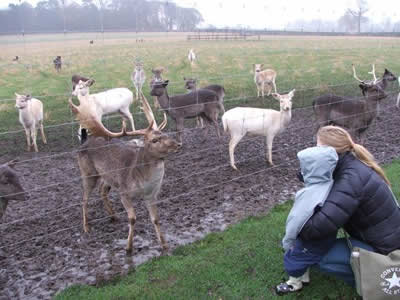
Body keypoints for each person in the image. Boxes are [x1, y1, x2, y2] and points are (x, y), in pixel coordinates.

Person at [276, 125, 400, 295]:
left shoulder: (351, 179)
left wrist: (295, 231)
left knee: (316, 254)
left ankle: (367, 279)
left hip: (385, 250)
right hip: (385, 238)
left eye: (318, 147)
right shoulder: (350, 164)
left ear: (329, 151)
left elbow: (317, 227)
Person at [277, 145, 339, 295]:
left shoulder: (310, 195)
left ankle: (295, 283)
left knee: (294, 257)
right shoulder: (332, 183)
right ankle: (304, 276)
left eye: (304, 167)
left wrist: (288, 242)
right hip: (327, 234)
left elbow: (296, 220)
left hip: (313, 239)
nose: (301, 170)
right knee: (304, 254)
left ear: (312, 169)